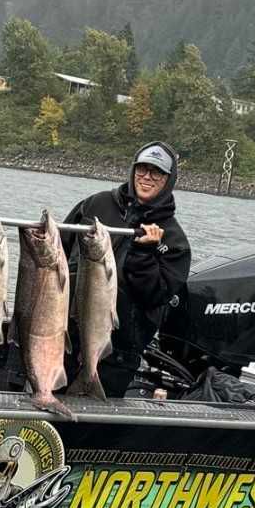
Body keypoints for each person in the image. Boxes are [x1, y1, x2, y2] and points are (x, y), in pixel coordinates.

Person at [61, 140, 192, 397]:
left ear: (169, 179)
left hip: (117, 355)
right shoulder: (94, 206)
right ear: (132, 170)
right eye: (142, 169)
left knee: (90, 430)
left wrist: (144, 254)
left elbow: (155, 296)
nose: (147, 177)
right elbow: (59, 254)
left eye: (157, 172)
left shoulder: (174, 240)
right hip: (65, 337)